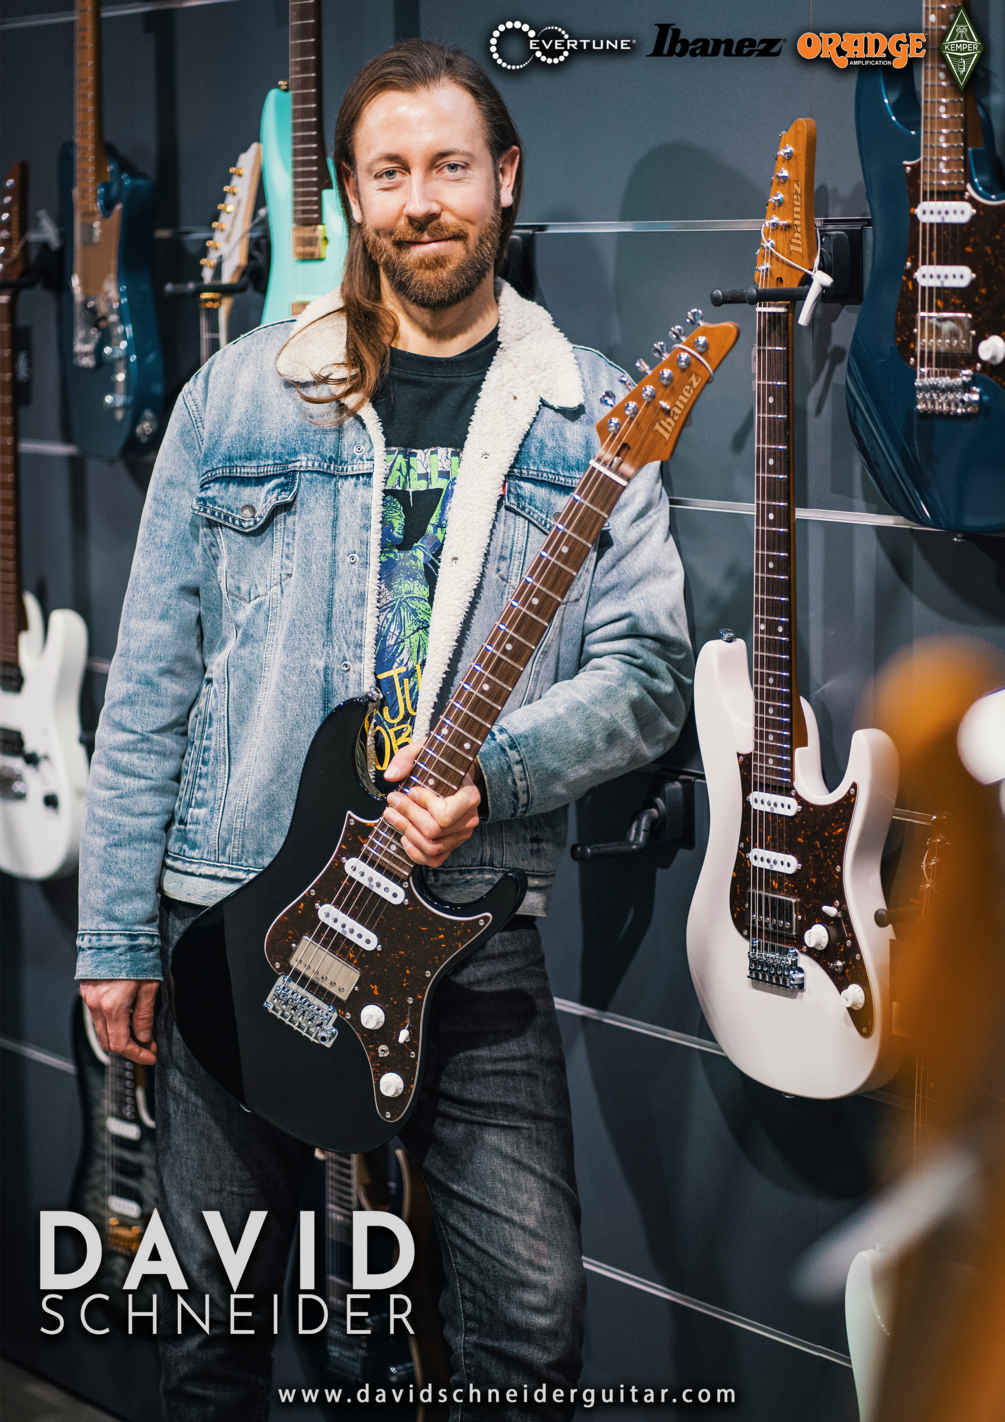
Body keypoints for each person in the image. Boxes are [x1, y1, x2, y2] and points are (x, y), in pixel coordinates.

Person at [76, 39, 693, 1421]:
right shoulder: (240, 397)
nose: (423, 202)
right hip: (235, 915)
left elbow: (652, 670)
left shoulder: (593, 413)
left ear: (506, 178)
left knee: (532, 1327)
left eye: (451, 168)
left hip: (469, 926)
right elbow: (153, 681)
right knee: (215, 1333)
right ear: (354, 197)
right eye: (392, 172)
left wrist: (500, 772)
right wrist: (114, 934)